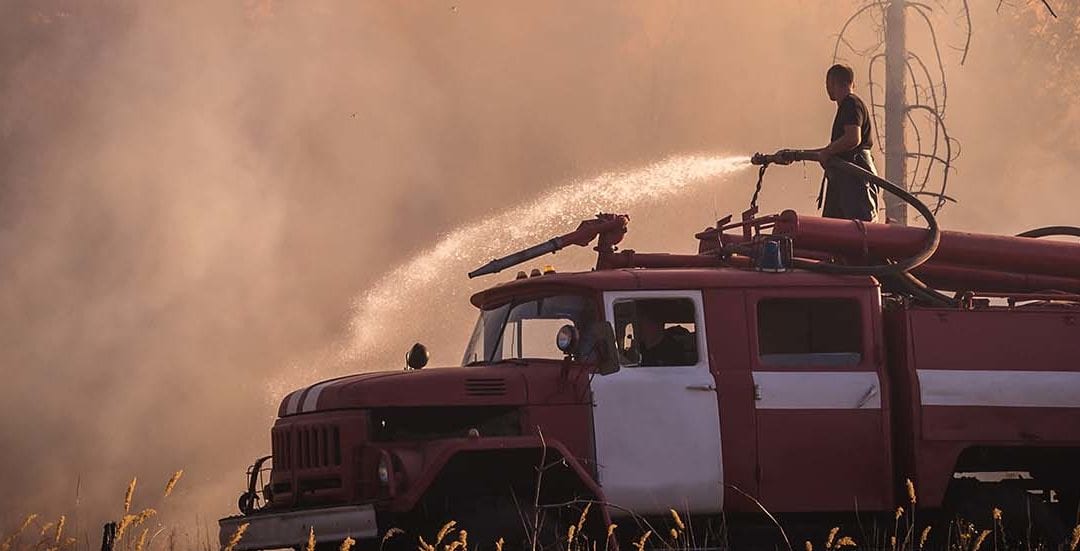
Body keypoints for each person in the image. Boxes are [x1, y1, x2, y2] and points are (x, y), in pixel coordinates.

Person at [809, 63, 880, 222]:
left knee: (853, 230)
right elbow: (843, 144)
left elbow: (853, 138)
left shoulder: (850, 103)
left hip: (855, 181)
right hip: (846, 180)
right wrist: (821, 153)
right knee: (833, 230)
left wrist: (827, 152)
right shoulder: (850, 105)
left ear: (832, 83)